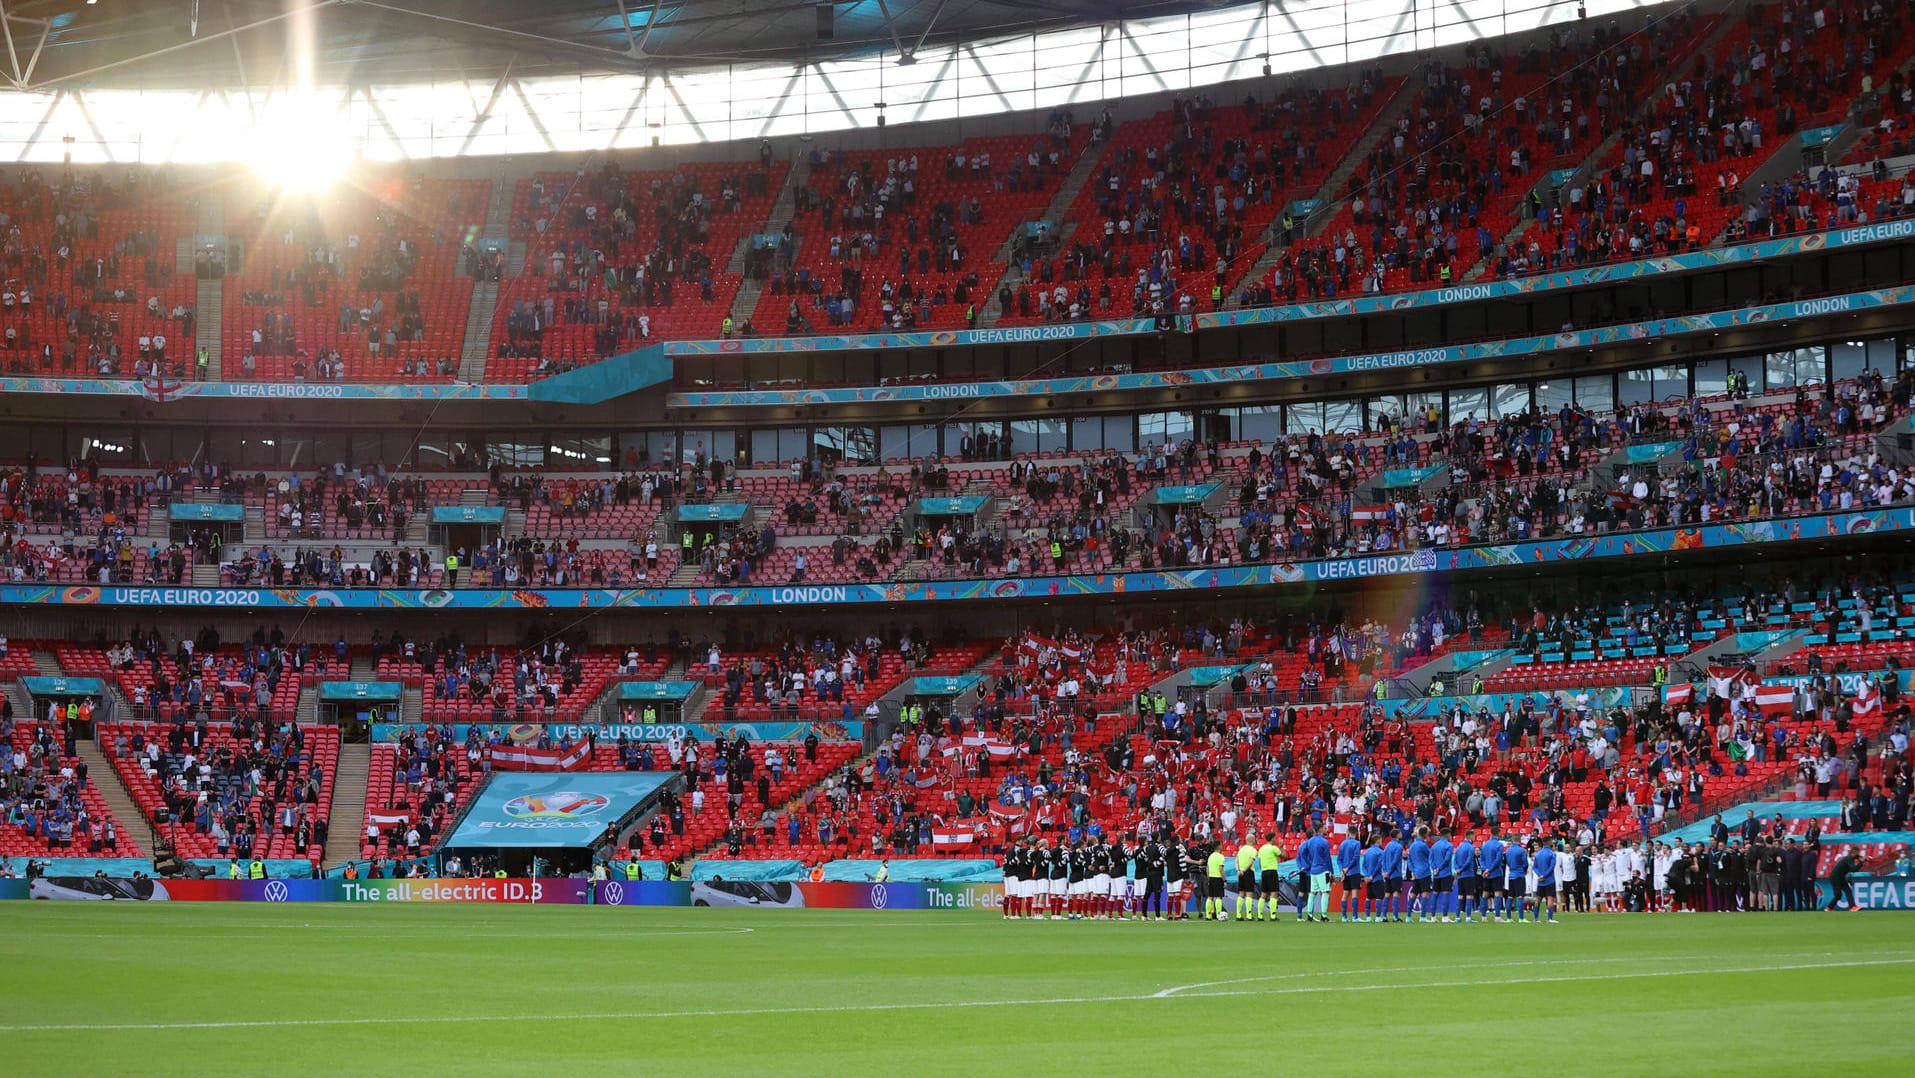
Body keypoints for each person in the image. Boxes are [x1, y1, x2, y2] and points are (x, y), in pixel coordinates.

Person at [1297, 822, 1333, 923]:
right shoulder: (1324, 842)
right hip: (1323, 870)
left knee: (1312, 893)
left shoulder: (1309, 842)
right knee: (1325, 892)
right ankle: (1324, 916)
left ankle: (1309, 915)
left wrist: (1308, 864)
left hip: (1313, 871)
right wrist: (1331, 872)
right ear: (1320, 829)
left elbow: (1302, 852)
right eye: (1324, 828)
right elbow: (1328, 858)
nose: (1326, 829)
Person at [1256, 831, 1284, 922]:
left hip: (1264, 872)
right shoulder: (1274, 848)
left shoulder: (1261, 848)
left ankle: (1260, 916)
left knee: (1263, 893)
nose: (1275, 840)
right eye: (1275, 838)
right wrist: (1281, 846)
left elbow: (1259, 862)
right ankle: (1273, 916)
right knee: (1274, 893)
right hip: (1272, 871)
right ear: (1272, 839)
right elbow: (1283, 855)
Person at [1335, 829, 1362, 922]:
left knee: (1345, 893)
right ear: (1356, 833)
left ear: (1348, 833)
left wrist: (1342, 870)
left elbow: (1339, 859)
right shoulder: (1357, 843)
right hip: (1354, 871)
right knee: (1354, 894)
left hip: (1345, 873)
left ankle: (1344, 917)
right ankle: (1355, 917)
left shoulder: (1343, 844)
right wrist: (1348, 868)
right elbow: (1356, 858)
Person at [1531, 841, 1560, 923]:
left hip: (1540, 881)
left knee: (1538, 899)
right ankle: (1550, 918)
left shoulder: (1538, 854)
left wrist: (1540, 875)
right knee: (1550, 898)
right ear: (1549, 842)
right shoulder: (1552, 854)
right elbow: (1552, 867)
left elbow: (1535, 867)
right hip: (1549, 880)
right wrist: (1545, 876)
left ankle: (1536, 918)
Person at [1233, 837, 1258, 920]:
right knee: (1249, 893)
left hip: (1240, 873)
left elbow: (1236, 861)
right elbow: (1251, 862)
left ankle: (1238, 915)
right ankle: (1249, 915)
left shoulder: (1242, 849)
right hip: (1248, 872)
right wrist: (1244, 870)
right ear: (1252, 840)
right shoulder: (1253, 850)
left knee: (1241, 894)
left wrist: (1238, 870)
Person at [1203, 840, 1228, 921]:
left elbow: (1207, 868)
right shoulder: (1220, 856)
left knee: (1210, 897)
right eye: (1221, 844)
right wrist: (1224, 880)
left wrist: (1208, 878)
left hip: (1211, 877)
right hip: (1218, 878)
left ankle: (1208, 915)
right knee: (1219, 897)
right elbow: (1221, 869)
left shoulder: (1211, 856)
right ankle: (1218, 915)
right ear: (1219, 846)